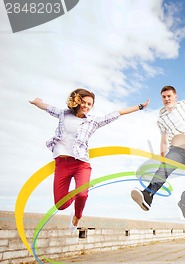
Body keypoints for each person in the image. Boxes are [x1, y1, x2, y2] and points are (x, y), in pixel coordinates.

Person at [29, 88, 149, 234]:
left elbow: (117, 113)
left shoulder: (93, 121)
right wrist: (36, 103)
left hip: (81, 164)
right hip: (61, 164)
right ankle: (84, 188)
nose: (86, 106)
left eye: (90, 104)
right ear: (78, 101)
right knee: (60, 205)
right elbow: (48, 108)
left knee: (82, 195)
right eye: (84, 103)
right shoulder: (63, 114)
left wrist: (140, 106)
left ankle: (77, 216)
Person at [131, 54, 185, 221]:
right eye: (164, 97)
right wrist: (163, 157)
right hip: (176, 151)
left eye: (169, 96)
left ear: (175, 96)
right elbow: (164, 140)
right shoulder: (161, 118)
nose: (166, 99)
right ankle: (148, 195)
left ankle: (184, 203)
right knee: (163, 171)